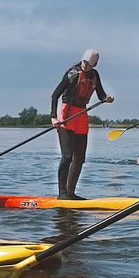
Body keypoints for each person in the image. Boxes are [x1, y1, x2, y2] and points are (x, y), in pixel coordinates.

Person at [50, 49, 114, 199]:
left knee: (80, 158)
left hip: (81, 115)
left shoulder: (95, 75)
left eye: (89, 64)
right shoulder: (72, 74)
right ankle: (62, 194)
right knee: (67, 156)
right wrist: (53, 118)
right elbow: (55, 95)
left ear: (94, 64)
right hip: (67, 114)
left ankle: (71, 193)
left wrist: (107, 98)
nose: (85, 66)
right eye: (84, 62)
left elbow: (100, 94)